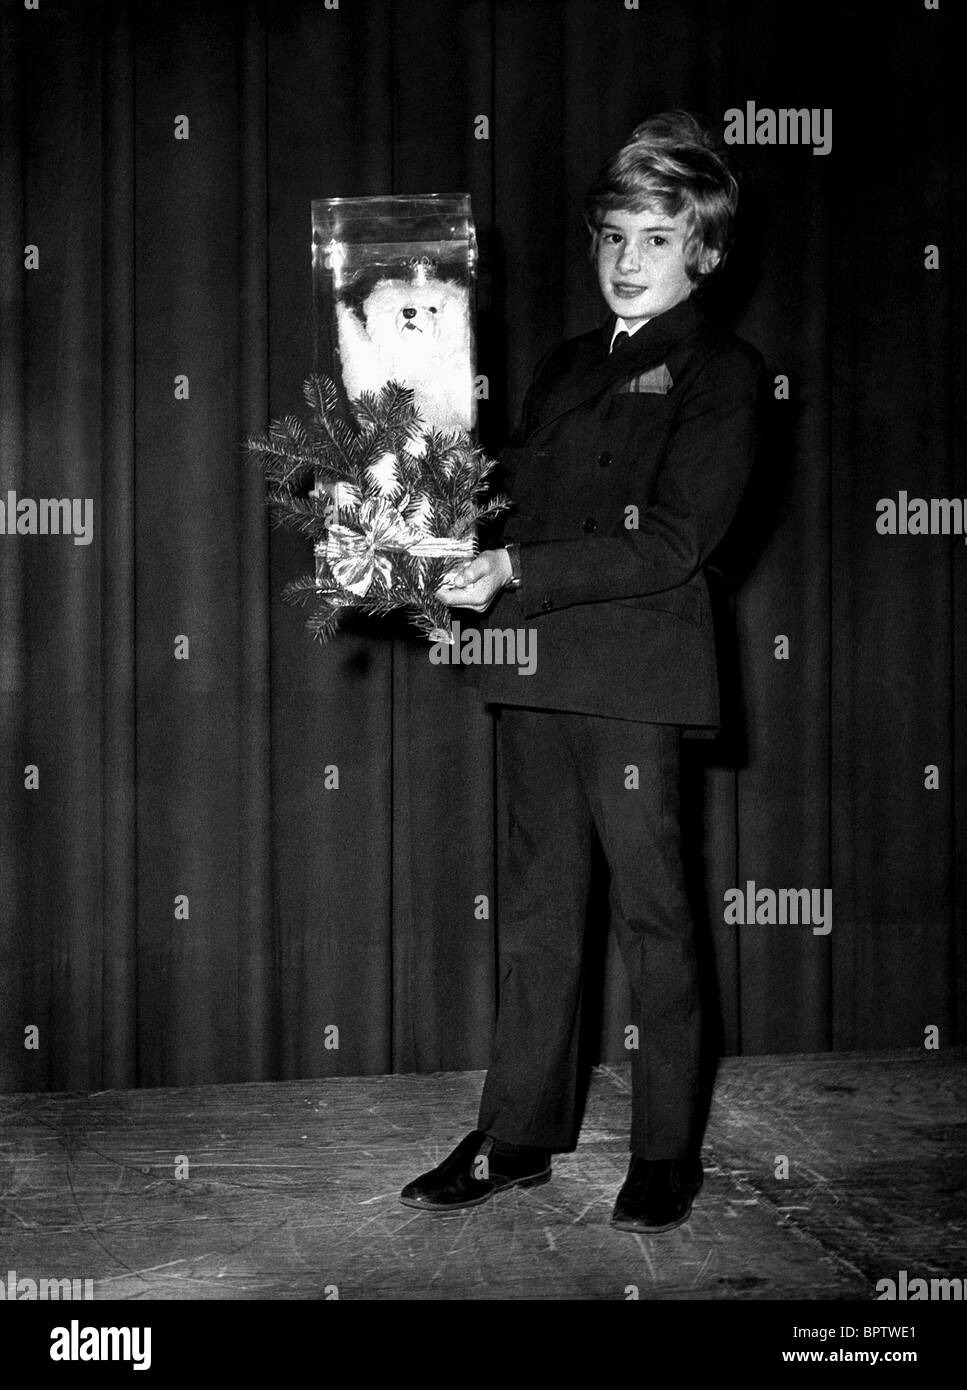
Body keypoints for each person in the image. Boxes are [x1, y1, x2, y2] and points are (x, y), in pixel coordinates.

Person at [400, 110, 765, 1233]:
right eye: (613, 236)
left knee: (653, 917)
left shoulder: (723, 370)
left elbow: (673, 542)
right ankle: (516, 1134)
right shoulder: (564, 365)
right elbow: (498, 496)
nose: (626, 260)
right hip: (532, 672)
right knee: (537, 920)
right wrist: (407, 504)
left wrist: (514, 562)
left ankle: (663, 1151)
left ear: (699, 251)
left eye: (654, 240)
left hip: (630, 685)